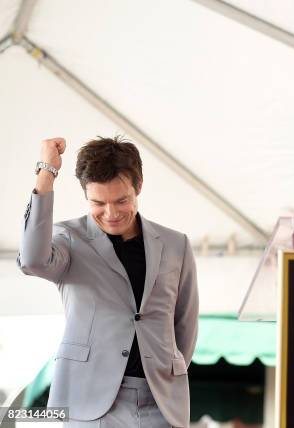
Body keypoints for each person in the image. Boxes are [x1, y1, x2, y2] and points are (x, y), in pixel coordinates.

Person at [18, 136, 199, 427]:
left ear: (138, 186)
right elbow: (31, 261)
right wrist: (46, 172)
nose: (111, 213)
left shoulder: (176, 244)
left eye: (122, 200)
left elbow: (185, 324)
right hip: (88, 400)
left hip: (161, 403)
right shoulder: (68, 238)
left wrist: (167, 369)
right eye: (98, 203)